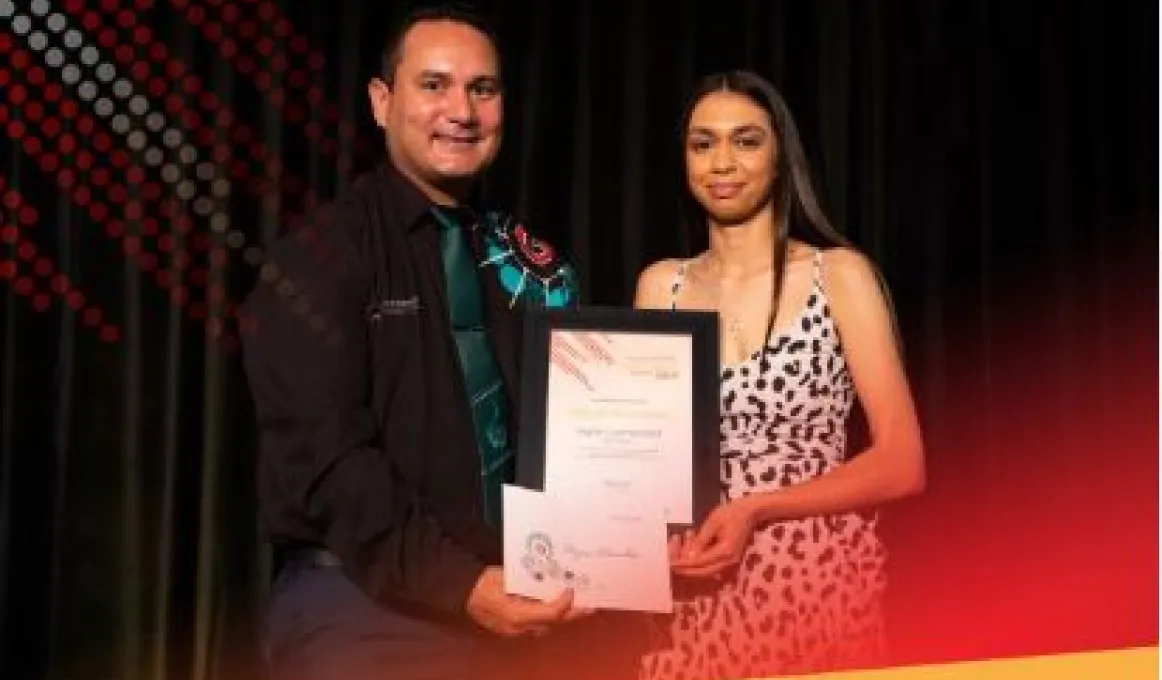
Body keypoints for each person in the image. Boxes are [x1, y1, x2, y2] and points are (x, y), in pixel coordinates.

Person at [240, 5, 625, 679]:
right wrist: (461, 588)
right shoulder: (320, 254)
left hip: (518, 601)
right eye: (434, 85)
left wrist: (635, 539)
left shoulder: (531, 267)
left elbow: (581, 442)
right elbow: (328, 463)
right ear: (382, 102)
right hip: (362, 603)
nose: (462, 109)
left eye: (483, 89)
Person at [633, 70, 926, 679]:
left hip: (817, 585)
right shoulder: (662, 286)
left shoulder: (838, 276)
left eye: (746, 141)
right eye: (702, 142)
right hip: (695, 597)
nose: (722, 162)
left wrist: (755, 510)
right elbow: (643, 461)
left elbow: (902, 462)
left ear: (779, 156)